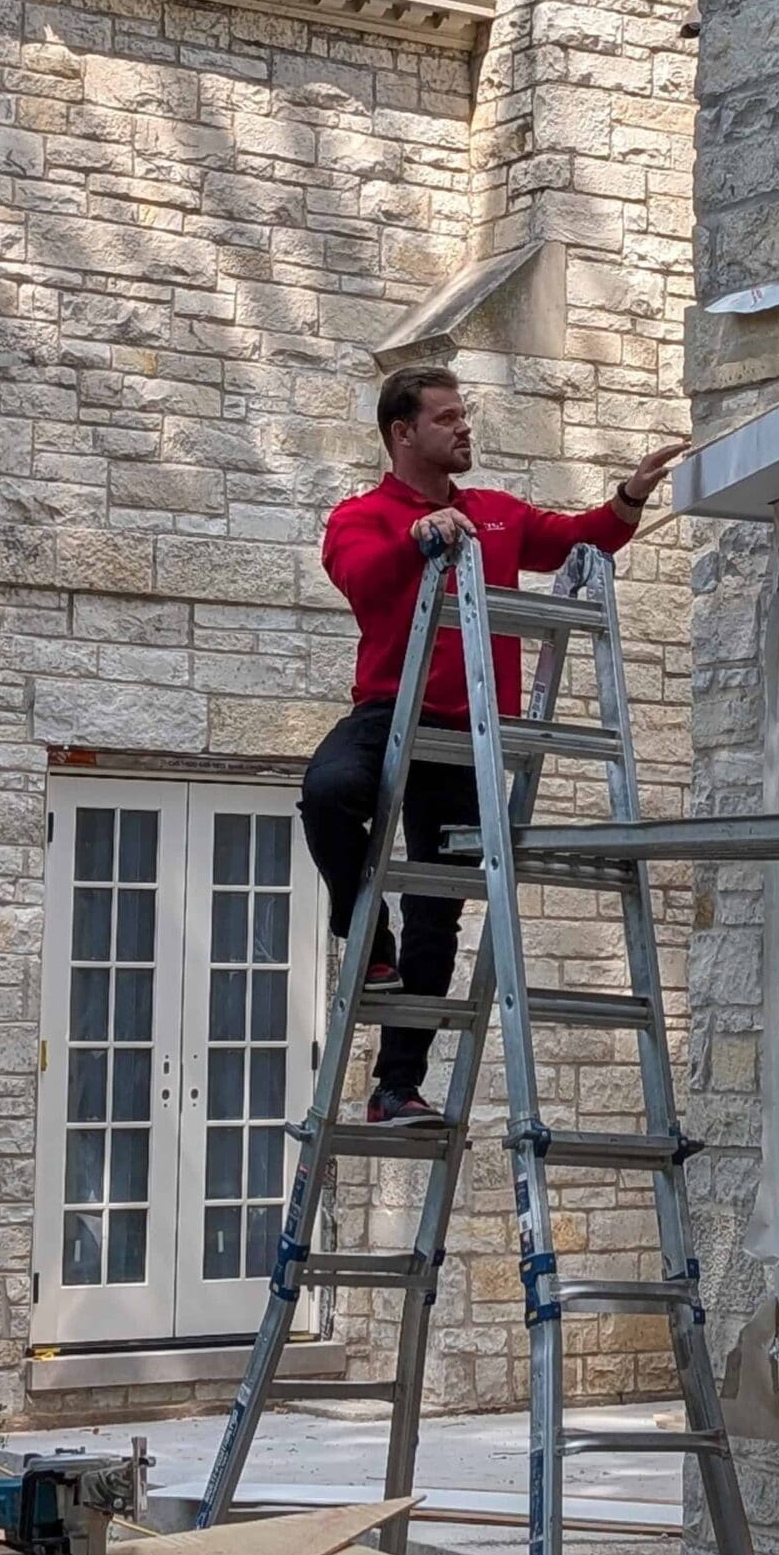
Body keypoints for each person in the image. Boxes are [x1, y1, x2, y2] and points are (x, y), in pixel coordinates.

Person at [301, 366, 684, 1125]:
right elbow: (361, 581)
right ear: (402, 433)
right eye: (447, 419)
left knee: (438, 911)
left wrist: (629, 497)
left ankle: (396, 1089)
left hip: (467, 729)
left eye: (464, 416)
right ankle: (366, 930)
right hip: (389, 711)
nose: (465, 428)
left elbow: (581, 538)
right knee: (327, 791)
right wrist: (418, 538)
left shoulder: (495, 517)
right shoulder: (362, 516)